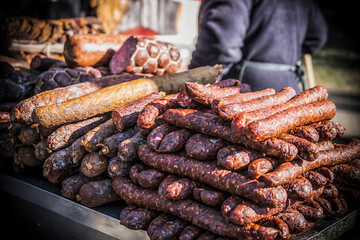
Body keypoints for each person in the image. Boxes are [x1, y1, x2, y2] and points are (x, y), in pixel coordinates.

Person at [188, 0, 328, 93]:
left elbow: (220, 46)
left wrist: (192, 81)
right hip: (289, 85)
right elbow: (317, 37)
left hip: (244, 90)